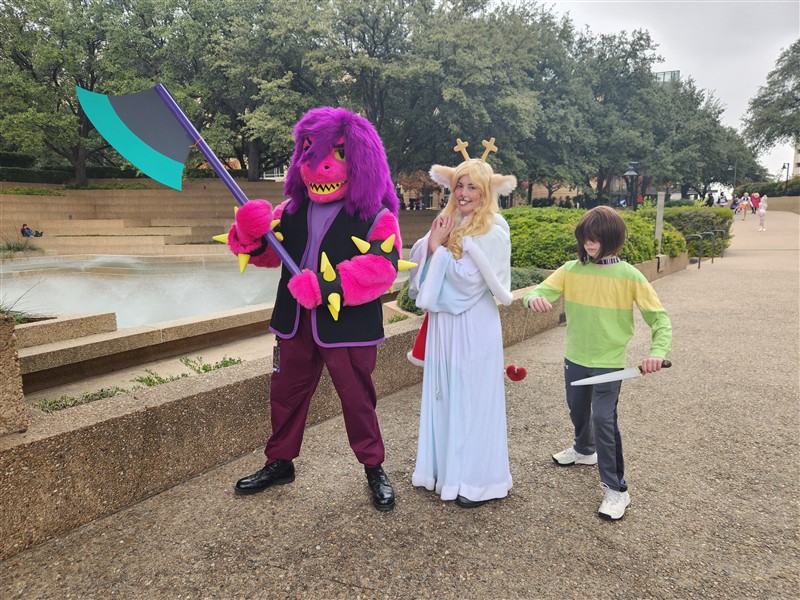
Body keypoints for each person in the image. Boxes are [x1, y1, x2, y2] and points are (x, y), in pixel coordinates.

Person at [225, 107, 413, 511]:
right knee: (285, 394)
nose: (320, 164)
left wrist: (325, 287)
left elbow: (382, 268)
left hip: (348, 327)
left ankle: (373, 467)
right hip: (295, 323)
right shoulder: (289, 211)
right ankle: (279, 462)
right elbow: (265, 255)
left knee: (358, 400)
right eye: (310, 150)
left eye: (339, 153)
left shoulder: (377, 217)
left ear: (362, 160)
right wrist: (248, 232)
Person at [524, 206, 672, 520]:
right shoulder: (570, 269)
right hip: (575, 358)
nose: (589, 244)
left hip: (610, 363)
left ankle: (617, 489)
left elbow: (659, 319)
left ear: (613, 239)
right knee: (577, 410)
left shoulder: (630, 276)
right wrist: (534, 298)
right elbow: (538, 291)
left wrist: (657, 352)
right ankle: (583, 450)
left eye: (596, 238)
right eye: (585, 238)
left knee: (603, 420)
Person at [407, 140, 516, 509]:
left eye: (473, 187)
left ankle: (477, 481)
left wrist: (437, 249)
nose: (464, 194)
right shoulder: (449, 222)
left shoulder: (494, 229)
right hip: (444, 325)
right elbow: (420, 269)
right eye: (459, 186)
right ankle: (443, 473)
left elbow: (468, 283)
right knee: (445, 394)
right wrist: (433, 244)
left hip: (472, 324)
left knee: (472, 398)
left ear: (486, 192)